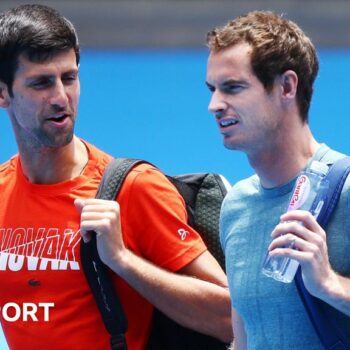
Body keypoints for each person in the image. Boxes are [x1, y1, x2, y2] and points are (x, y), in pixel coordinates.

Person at [0, 4, 232, 349]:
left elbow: (231, 320)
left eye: (69, 78)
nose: (61, 98)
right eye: (41, 83)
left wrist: (123, 260)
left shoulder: (134, 188)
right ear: (3, 93)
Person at [206, 10, 350, 350]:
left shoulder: (347, 191)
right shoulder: (235, 206)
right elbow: (244, 337)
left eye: (233, 88)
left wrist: (329, 284)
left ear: (286, 86)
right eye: (212, 89)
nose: (214, 104)